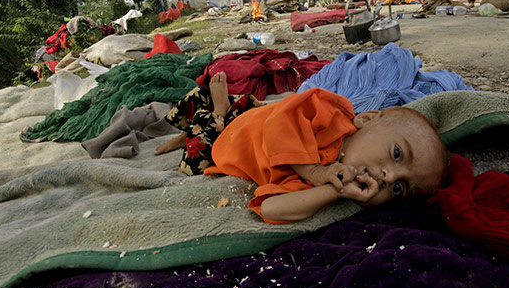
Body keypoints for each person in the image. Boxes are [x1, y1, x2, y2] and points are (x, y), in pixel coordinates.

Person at [156, 72, 449, 224]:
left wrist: (334, 189)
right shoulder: (329, 109)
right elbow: (281, 120)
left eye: (399, 189)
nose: (388, 177)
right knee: (205, 121)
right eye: (397, 154)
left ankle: (215, 118)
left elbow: (271, 208)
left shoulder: (323, 187)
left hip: (228, 145)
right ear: (368, 119)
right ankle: (218, 111)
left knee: (201, 152)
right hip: (251, 121)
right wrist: (313, 170)